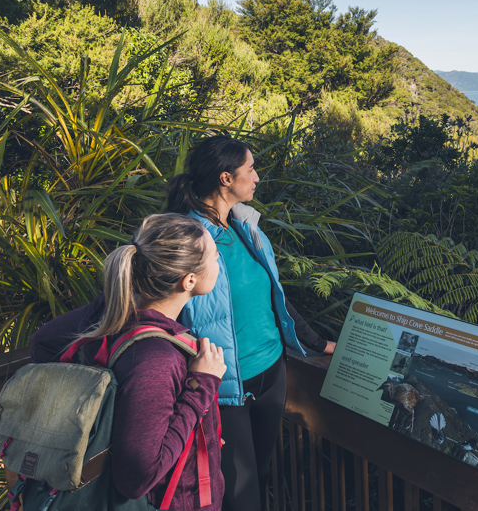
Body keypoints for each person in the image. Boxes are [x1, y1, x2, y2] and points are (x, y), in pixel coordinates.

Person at [165, 135, 335, 510]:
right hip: (224, 390)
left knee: (259, 475)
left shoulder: (246, 227)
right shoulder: (186, 240)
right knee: (238, 495)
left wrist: (318, 344)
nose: (257, 177)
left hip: (272, 373)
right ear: (226, 178)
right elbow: (161, 312)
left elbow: (273, 297)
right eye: (251, 169)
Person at [30, 213, 226, 510]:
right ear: (189, 280)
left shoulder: (112, 316)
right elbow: (135, 480)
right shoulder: (156, 360)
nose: (219, 259)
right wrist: (201, 388)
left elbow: (43, 344)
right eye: (214, 255)